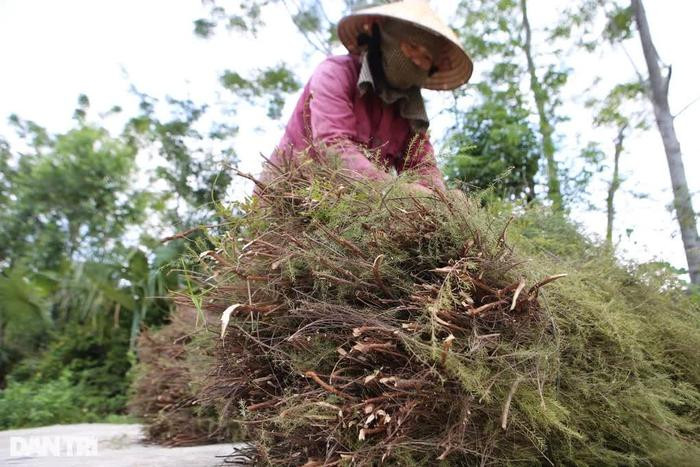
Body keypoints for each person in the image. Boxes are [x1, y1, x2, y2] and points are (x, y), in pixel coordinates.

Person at [259, 0, 473, 193]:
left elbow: (422, 166)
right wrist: (399, 193)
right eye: (412, 46)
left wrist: (441, 198)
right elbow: (333, 146)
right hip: (286, 198)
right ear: (383, 36)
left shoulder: (411, 111)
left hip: (344, 211)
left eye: (427, 57)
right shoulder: (335, 73)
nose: (417, 60)